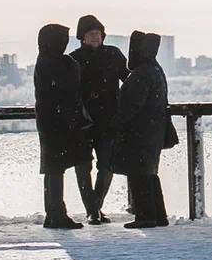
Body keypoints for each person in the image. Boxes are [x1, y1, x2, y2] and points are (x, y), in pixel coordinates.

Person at [70, 14, 129, 224]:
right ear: (82, 37)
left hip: (109, 121)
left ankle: (95, 206)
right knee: (83, 166)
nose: (95, 36)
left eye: (98, 33)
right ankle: (92, 210)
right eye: (90, 33)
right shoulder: (74, 59)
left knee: (107, 165)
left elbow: (128, 80)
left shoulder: (114, 55)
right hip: (83, 122)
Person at [34, 23, 92, 229]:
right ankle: (57, 214)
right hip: (59, 123)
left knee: (53, 169)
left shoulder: (46, 60)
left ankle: (53, 212)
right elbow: (69, 87)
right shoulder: (55, 63)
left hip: (51, 122)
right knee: (56, 169)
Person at [111, 30, 170, 229]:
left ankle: (145, 216)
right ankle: (158, 214)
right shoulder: (155, 69)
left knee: (139, 173)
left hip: (139, 131)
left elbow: (131, 105)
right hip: (153, 130)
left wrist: (116, 122)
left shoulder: (142, 73)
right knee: (149, 172)